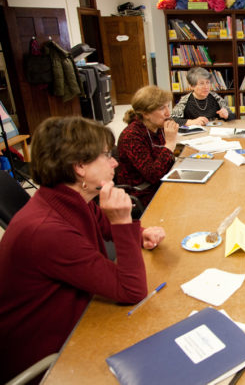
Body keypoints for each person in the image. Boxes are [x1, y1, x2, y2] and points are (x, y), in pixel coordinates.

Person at [0, 116, 166, 383]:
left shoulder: (69, 197)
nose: (114, 162)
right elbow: (132, 290)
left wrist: (139, 233)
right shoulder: (47, 230)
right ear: (79, 167)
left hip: (79, 317)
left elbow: (104, 225)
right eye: (106, 155)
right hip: (51, 357)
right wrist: (124, 222)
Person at [117, 85, 178, 208]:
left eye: (168, 106)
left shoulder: (157, 127)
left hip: (162, 181)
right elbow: (153, 175)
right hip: (143, 192)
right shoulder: (131, 136)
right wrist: (170, 144)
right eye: (162, 108)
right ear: (146, 114)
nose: (168, 113)